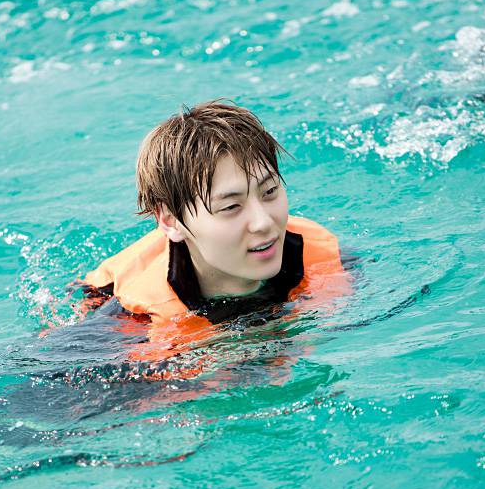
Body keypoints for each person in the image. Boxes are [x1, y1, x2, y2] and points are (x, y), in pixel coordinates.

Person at [77, 101, 351, 339]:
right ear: (171, 222)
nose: (264, 223)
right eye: (231, 206)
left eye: (269, 192)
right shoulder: (134, 324)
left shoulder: (327, 257)